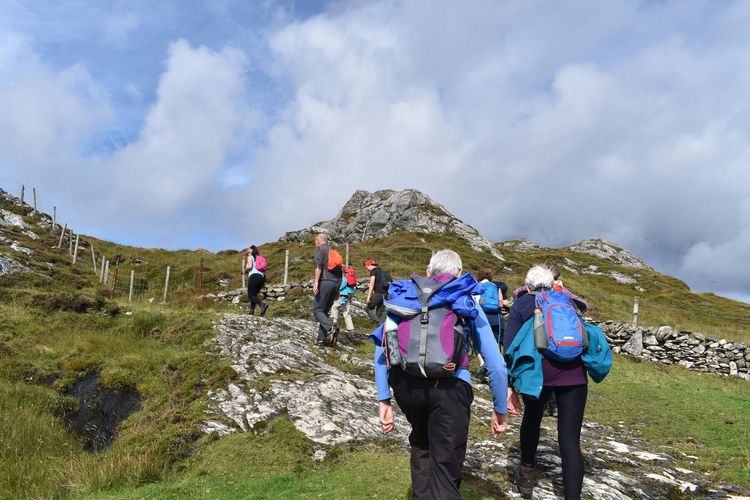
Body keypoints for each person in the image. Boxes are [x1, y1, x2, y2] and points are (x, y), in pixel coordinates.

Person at [373, 249, 508, 499]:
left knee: (422, 445)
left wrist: (384, 399)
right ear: (458, 273)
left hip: (407, 387)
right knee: (445, 463)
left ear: (427, 272)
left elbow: (382, 350)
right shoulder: (463, 300)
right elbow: (496, 364)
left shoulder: (405, 296)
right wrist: (500, 409)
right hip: (450, 388)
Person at [504, 265, 588, 500]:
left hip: (538, 375)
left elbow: (509, 345)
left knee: (532, 419)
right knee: (570, 440)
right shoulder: (568, 302)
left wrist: (510, 385)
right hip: (575, 376)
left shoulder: (521, 304)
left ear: (528, 286)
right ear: (553, 285)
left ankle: (527, 473)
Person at [312, 233, 342, 346]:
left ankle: (331, 328)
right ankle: (321, 339)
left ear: (318, 241)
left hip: (324, 282)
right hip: (335, 284)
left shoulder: (320, 249)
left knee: (317, 310)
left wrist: (315, 283)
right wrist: (338, 289)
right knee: (324, 312)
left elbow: (318, 266)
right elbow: (340, 272)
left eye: (315, 242)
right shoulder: (333, 252)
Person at [330, 275, 355, 341]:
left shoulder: (342, 277)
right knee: (346, 312)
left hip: (342, 295)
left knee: (334, 307)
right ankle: (351, 330)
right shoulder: (347, 276)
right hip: (347, 295)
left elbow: (341, 285)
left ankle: (334, 322)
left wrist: (335, 290)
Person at [245, 245, 268, 316]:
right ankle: (251, 312)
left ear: (251, 250)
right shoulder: (260, 258)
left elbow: (249, 267)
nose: (247, 249)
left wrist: (244, 271)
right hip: (262, 277)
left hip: (254, 276)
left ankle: (262, 304)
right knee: (254, 295)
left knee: (250, 296)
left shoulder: (250, 257)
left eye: (249, 249)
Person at [364, 259, 386, 324]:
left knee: (368, 308)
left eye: (367, 266)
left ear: (369, 265)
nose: (367, 269)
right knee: (379, 314)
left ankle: (378, 322)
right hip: (386, 295)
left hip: (378, 294)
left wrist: (368, 296)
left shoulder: (373, 271)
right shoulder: (382, 271)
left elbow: (372, 283)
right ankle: (380, 330)